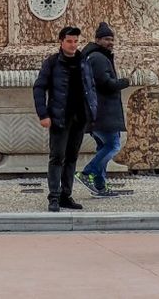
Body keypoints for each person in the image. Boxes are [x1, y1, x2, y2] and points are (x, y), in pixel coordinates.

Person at [33, 26, 97, 212]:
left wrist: (93, 111)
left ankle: (65, 195)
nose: (73, 45)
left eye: (76, 41)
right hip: (60, 117)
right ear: (61, 42)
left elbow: (90, 86)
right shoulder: (52, 62)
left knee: (71, 157)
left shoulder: (84, 62)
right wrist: (43, 114)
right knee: (57, 157)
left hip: (80, 117)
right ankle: (53, 196)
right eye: (69, 41)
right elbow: (39, 88)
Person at [77, 22, 130, 196]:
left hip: (98, 113)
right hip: (104, 113)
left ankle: (100, 187)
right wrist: (124, 82)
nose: (111, 42)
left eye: (112, 39)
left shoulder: (93, 57)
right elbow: (106, 84)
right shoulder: (98, 58)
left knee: (103, 148)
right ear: (97, 40)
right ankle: (87, 172)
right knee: (113, 146)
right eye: (107, 39)